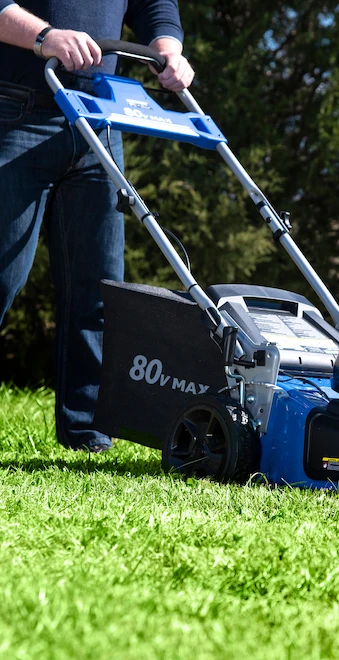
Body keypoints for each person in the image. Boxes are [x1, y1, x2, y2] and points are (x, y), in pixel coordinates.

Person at [0, 1, 194, 451]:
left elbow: (153, 4)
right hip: (15, 110)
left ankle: (87, 433)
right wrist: (44, 37)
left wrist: (168, 47)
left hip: (99, 123)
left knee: (98, 290)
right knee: (3, 277)